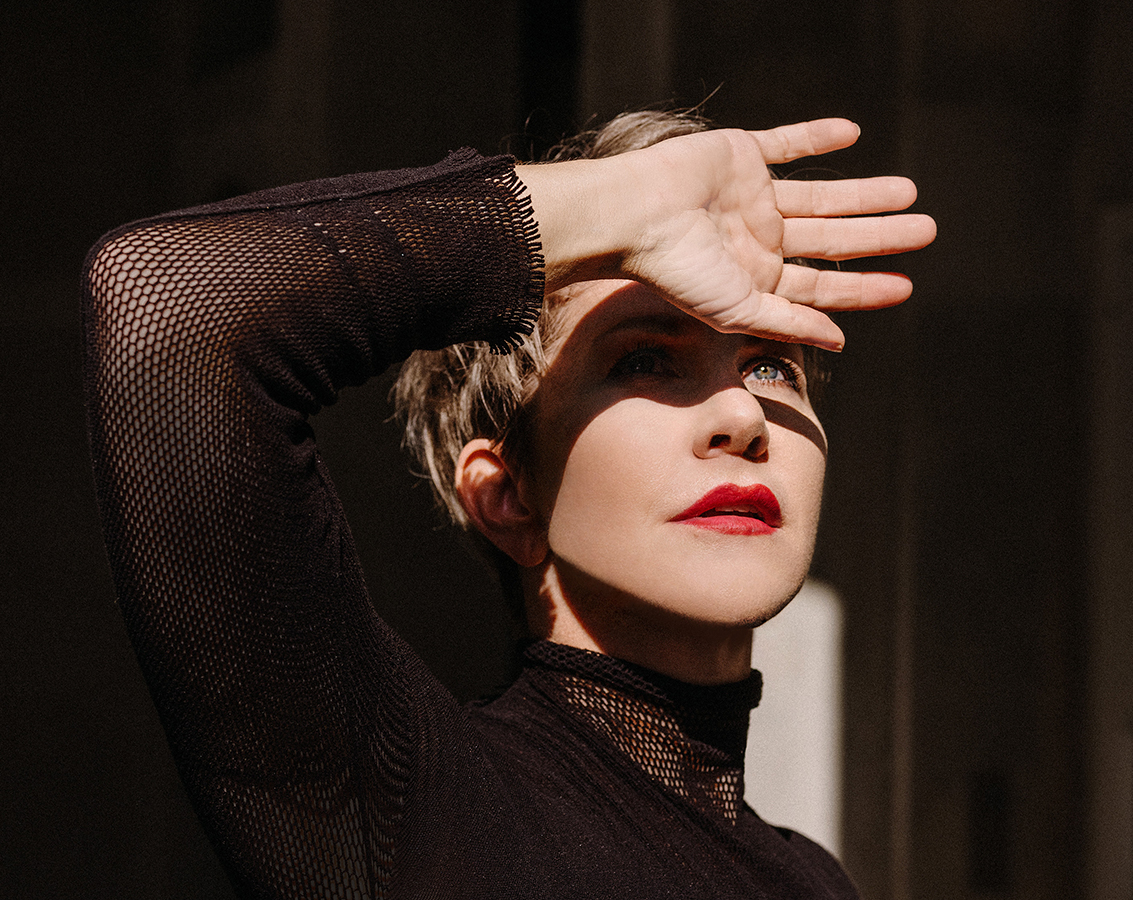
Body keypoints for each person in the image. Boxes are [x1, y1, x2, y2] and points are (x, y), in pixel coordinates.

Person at [83, 109, 934, 899]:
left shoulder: (813, 881)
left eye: (769, 365)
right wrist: (624, 205)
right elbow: (168, 306)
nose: (742, 417)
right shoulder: (409, 803)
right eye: (643, 361)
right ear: (507, 497)